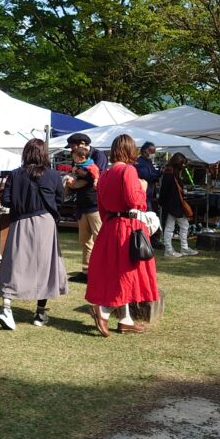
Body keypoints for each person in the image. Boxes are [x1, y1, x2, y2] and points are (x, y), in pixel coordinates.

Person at [86, 134, 158, 336]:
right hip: (127, 227)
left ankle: (125, 319)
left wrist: (110, 223)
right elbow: (134, 201)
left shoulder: (106, 173)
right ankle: (104, 310)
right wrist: (142, 188)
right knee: (128, 273)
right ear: (130, 150)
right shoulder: (128, 171)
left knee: (118, 273)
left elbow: (101, 206)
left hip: (110, 226)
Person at [0, 138, 67, 330]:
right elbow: (60, 199)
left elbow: (6, 200)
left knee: (14, 264)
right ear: (44, 154)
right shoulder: (53, 175)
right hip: (45, 223)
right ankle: (39, 313)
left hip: (21, 222)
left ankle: (6, 308)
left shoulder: (15, 175)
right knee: (46, 267)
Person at [63, 133, 103, 282]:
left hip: (95, 205)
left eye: (72, 146)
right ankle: (86, 272)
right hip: (81, 204)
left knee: (99, 238)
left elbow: (98, 176)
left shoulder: (98, 156)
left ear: (81, 143)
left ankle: (101, 271)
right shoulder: (76, 158)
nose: (71, 150)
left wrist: (79, 174)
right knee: (84, 240)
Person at [159, 153, 198, 258]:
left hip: (175, 204)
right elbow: (164, 190)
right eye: (182, 164)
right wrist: (162, 203)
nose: (183, 166)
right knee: (171, 227)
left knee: (182, 226)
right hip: (172, 205)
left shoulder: (171, 172)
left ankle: (181, 248)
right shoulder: (170, 173)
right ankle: (170, 249)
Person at [134, 141, 162, 212]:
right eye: (152, 152)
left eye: (154, 152)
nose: (153, 154)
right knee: (147, 214)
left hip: (149, 194)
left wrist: (160, 171)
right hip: (143, 194)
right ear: (145, 151)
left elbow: (153, 172)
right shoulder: (138, 162)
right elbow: (147, 176)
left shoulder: (149, 162)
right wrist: (159, 174)